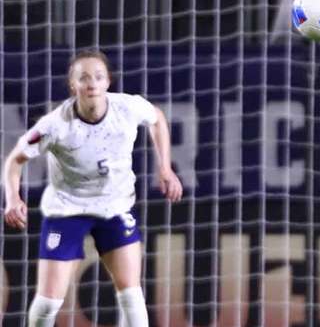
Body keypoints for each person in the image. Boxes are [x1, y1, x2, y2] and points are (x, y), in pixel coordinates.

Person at [3, 50, 184, 327]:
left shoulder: (127, 108)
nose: (92, 84)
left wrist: (165, 167)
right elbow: (16, 160)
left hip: (115, 207)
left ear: (108, 82)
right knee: (49, 301)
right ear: (73, 85)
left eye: (98, 77)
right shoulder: (55, 125)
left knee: (132, 296)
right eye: (83, 78)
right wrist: (13, 198)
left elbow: (157, 118)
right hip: (67, 209)